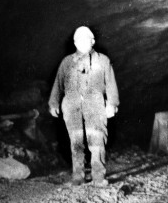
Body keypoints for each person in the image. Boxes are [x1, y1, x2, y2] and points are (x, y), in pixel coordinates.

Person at [49, 26, 119, 187]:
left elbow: (111, 84)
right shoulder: (67, 62)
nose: (82, 42)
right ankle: (78, 176)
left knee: (97, 140)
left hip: (95, 106)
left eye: (86, 39)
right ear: (74, 42)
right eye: (78, 39)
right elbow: (58, 84)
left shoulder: (102, 60)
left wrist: (112, 103)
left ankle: (98, 177)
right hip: (72, 107)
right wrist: (53, 103)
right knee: (76, 141)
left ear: (92, 41)